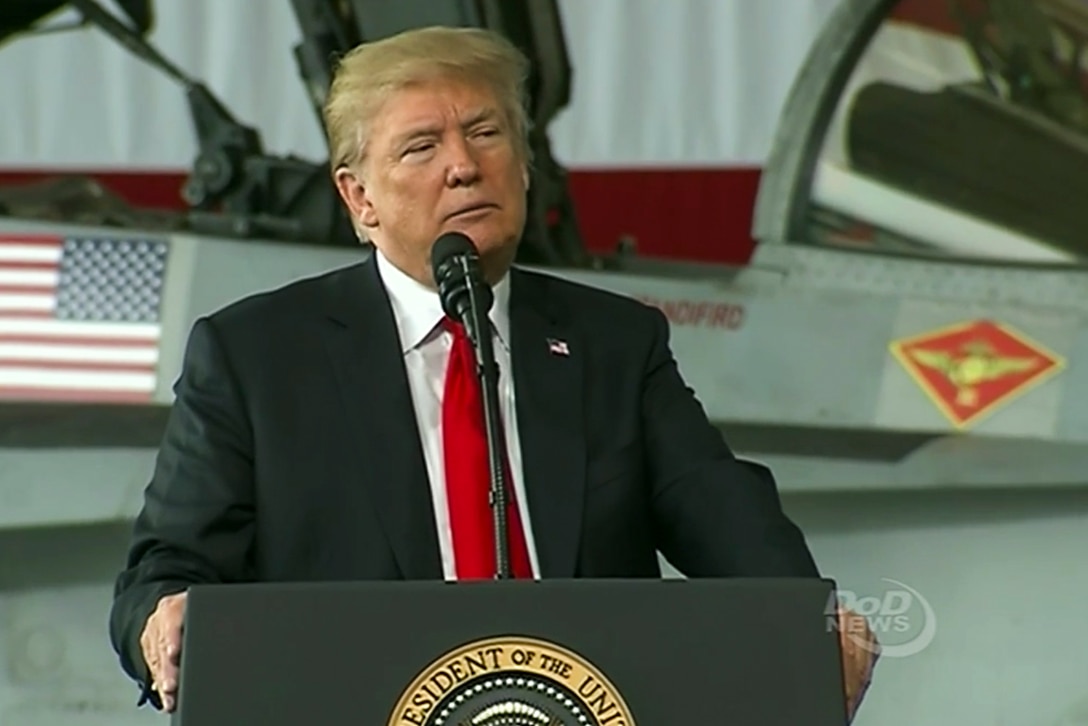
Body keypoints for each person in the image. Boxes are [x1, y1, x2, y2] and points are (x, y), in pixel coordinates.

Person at [108, 24, 878, 719]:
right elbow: (166, 569)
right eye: (421, 147)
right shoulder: (256, 357)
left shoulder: (613, 343)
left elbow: (729, 524)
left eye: (486, 132)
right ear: (359, 198)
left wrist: (807, 619)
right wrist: (163, 621)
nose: (464, 167)